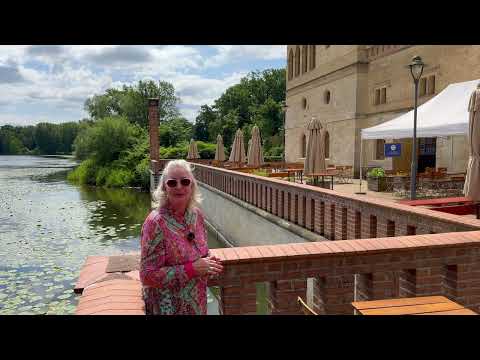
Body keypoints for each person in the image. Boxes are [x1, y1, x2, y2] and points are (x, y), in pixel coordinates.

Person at [140, 159, 223, 315]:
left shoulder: (196, 215)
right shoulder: (155, 223)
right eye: (172, 183)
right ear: (164, 187)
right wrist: (191, 269)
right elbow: (147, 275)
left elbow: (201, 250)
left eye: (185, 181)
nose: (179, 186)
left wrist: (209, 260)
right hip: (168, 308)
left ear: (192, 186)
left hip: (198, 305)